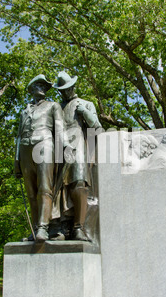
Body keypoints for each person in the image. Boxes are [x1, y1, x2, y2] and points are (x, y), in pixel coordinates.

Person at [14, 75, 64, 242]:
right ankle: (35, 229)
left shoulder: (53, 106)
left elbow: (59, 130)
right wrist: (16, 161)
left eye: (44, 85)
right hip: (25, 149)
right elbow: (19, 136)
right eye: (38, 84)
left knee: (44, 188)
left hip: (44, 143)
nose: (41, 87)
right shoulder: (24, 111)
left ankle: (43, 227)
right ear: (32, 88)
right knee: (31, 192)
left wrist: (61, 152)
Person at [53, 71, 102, 241]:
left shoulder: (86, 104)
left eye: (68, 88)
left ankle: (79, 227)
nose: (65, 92)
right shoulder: (56, 108)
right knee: (58, 188)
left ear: (73, 86)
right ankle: (61, 228)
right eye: (62, 90)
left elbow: (98, 129)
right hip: (60, 147)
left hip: (79, 145)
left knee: (79, 183)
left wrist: (86, 114)